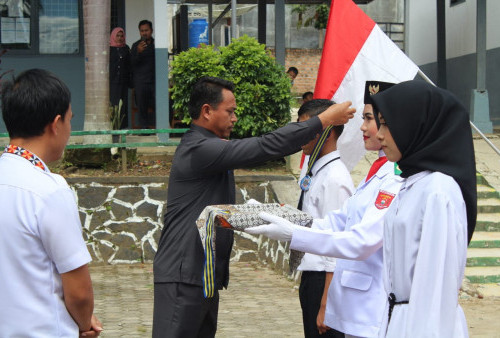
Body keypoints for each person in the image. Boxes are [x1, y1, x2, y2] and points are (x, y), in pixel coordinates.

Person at [152, 76, 355, 337]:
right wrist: (323, 121)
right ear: (206, 111)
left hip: (201, 273)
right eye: (230, 111)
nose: (234, 118)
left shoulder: (209, 147)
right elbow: (263, 146)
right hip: (184, 272)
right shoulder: (199, 148)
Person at [247, 81, 403, 338]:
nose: (362, 127)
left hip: (363, 297)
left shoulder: (392, 177)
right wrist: (284, 223)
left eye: (371, 120)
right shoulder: (374, 174)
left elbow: (358, 241)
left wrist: (294, 234)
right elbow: (335, 222)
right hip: (348, 295)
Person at [0, 69, 102, 337]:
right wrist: (84, 324)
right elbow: (79, 292)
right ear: (56, 124)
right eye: (70, 120)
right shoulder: (49, 189)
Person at [371, 80, 476, 337]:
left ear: (416, 125)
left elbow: (436, 289)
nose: (379, 134)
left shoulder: (438, 191)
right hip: (398, 319)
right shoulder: (412, 183)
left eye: (387, 123)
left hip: (422, 325)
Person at [296, 99, 355, 338]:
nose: (300, 135)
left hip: (324, 281)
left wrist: (325, 304)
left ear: (326, 132)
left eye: (306, 129)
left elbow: (336, 247)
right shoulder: (315, 168)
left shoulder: (335, 179)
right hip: (311, 275)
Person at [131, 19, 155, 129]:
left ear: (151, 30)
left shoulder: (157, 44)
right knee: (142, 106)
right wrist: (138, 52)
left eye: (146, 30)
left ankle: (160, 128)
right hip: (141, 82)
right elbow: (132, 64)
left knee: (161, 104)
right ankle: (144, 129)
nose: (144, 33)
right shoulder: (136, 45)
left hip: (154, 81)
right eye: (142, 31)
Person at [109, 27, 131, 129]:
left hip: (123, 81)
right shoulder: (109, 49)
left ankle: (121, 127)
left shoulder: (126, 48)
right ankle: (112, 127)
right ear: (113, 36)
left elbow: (130, 64)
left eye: (121, 36)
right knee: (113, 104)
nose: (120, 38)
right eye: (117, 36)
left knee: (123, 106)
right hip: (112, 82)